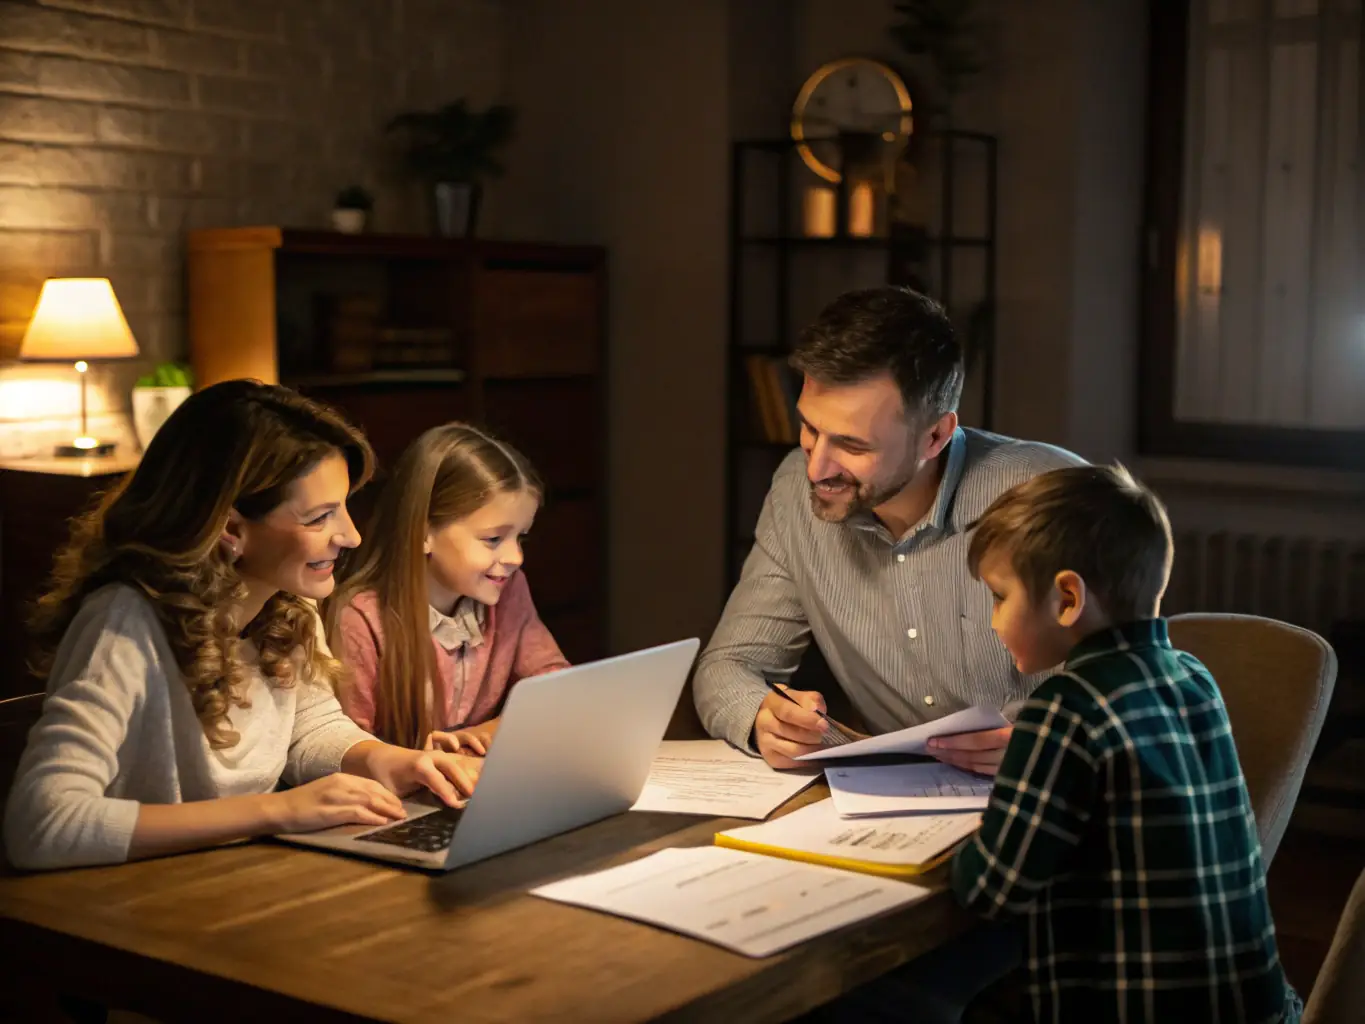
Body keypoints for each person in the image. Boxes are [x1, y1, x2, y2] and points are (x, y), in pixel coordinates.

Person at [2, 380, 482, 872]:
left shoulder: (287, 603)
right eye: (319, 517)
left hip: (236, 878)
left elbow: (308, 727)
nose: (352, 535)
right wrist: (278, 811)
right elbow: (43, 823)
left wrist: (386, 760)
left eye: (343, 507)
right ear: (231, 529)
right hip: (135, 895)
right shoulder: (122, 621)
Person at [953, 464, 1301, 1022]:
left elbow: (991, 890)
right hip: (1257, 1008)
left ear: (1068, 597)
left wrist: (969, 841)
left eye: (999, 597)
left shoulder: (1064, 709)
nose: (993, 622)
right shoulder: (1195, 677)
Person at [694, 285, 1084, 774]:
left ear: (935, 436)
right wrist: (762, 717)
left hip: (1045, 793)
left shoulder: (1051, 493)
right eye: (810, 429)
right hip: (890, 802)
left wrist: (1049, 737)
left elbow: (1136, 682)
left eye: (853, 446)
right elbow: (729, 666)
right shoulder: (795, 491)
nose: (816, 468)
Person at [326, 423, 568, 753]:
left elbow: (554, 685)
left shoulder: (508, 590)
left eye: (520, 537)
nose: (515, 557)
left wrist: (484, 734)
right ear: (424, 533)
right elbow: (347, 748)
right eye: (493, 539)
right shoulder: (361, 618)